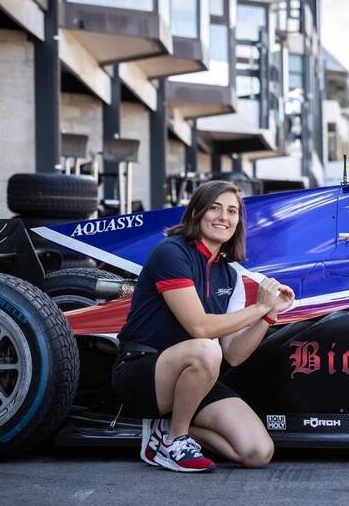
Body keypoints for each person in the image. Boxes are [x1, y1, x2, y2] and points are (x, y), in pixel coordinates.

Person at [112, 180, 295, 473]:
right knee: (207, 349)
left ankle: (164, 431)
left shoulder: (229, 274)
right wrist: (258, 307)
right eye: (215, 208)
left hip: (197, 377)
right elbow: (199, 328)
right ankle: (174, 440)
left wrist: (269, 315)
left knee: (257, 452)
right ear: (197, 212)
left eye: (232, 211)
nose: (224, 217)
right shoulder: (171, 252)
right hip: (142, 371)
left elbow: (233, 354)